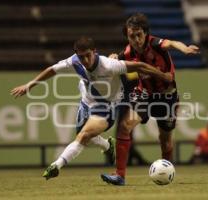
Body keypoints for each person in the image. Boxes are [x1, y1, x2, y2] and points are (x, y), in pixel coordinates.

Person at [10, 36, 173, 180]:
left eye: (88, 55)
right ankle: (108, 146)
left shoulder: (108, 65)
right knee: (85, 137)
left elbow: (139, 66)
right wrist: (30, 85)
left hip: (106, 106)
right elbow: (51, 70)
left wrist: (163, 75)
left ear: (94, 52)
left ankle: (56, 166)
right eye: (81, 57)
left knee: (83, 136)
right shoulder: (74, 61)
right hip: (86, 101)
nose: (85, 60)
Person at [101, 13, 200, 185]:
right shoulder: (128, 52)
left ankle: (166, 172)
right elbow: (113, 60)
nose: (137, 39)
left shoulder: (156, 44)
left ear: (145, 33)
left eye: (139, 34)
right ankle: (120, 175)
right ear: (128, 37)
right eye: (132, 36)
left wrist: (184, 49)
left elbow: (171, 43)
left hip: (167, 97)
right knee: (125, 126)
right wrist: (112, 58)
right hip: (144, 95)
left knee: (165, 141)